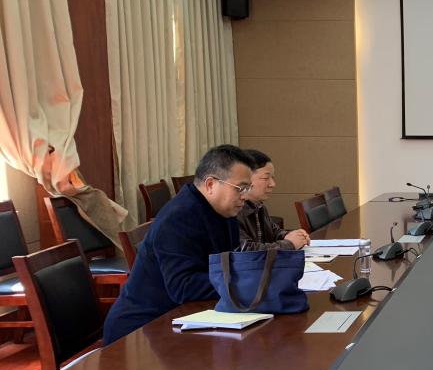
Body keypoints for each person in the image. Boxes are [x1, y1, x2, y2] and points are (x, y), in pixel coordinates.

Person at [102, 145, 255, 345]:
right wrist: (247, 280)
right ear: (210, 184)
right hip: (142, 331)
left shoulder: (224, 211)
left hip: (187, 318)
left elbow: (229, 264)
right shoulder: (179, 218)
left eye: (247, 189)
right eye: (240, 188)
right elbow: (184, 287)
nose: (245, 196)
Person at [238, 149, 309, 250]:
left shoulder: (259, 206)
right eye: (266, 178)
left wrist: (291, 235)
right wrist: (290, 244)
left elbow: (273, 232)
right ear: (245, 178)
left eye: (272, 178)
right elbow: (248, 251)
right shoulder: (233, 211)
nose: (272, 184)